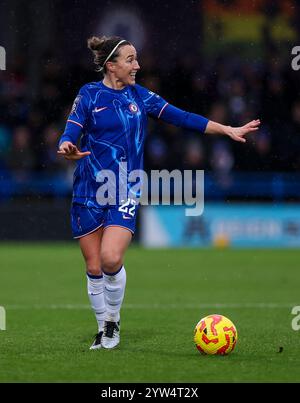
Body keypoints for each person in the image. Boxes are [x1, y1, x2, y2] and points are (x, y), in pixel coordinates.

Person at [58, 35, 260, 350]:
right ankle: (103, 327)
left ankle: (112, 324)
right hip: (88, 188)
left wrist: (227, 129)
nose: (137, 65)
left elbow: (183, 118)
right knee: (94, 267)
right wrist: (66, 146)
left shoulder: (142, 97)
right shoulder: (88, 94)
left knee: (111, 259)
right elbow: (72, 129)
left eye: (136, 59)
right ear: (111, 66)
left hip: (125, 186)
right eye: (129, 60)